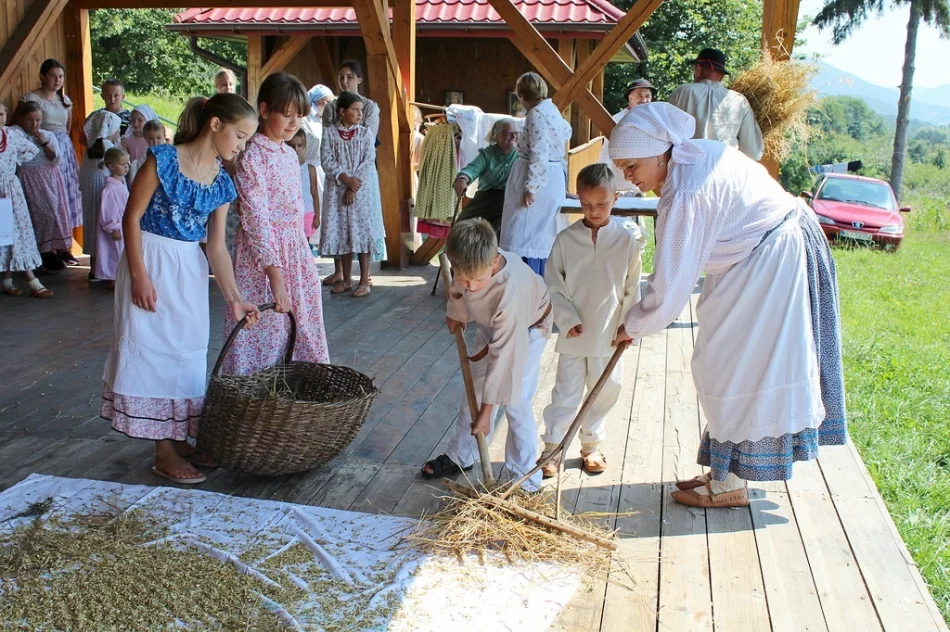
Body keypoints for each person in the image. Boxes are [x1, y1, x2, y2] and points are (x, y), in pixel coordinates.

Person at [609, 103, 846, 508]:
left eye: (632, 166)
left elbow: (670, 284)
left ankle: (729, 483)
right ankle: (726, 470)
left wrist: (633, 324)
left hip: (772, 255)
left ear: (658, 150)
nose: (629, 178)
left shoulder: (686, 188)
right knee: (726, 362)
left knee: (734, 365)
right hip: (756, 254)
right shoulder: (688, 163)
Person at [101, 94, 260, 485]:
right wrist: (139, 275)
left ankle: (175, 434)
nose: (241, 147)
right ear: (216, 124)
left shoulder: (222, 183)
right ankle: (163, 451)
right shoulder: (163, 159)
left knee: (185, 353)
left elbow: (216, 246)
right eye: (240, 136)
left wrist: (235, 298)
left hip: (188, 268)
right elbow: (131, 217)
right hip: (150, 260)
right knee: (151, 350)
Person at [420, 219, 551, 492]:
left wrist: (488, 412)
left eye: (478, 280)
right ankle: (461, 455)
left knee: (516, 401)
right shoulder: (469, 269)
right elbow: (457, 287)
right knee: (475, 391)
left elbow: (506, 358)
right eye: (463, 277)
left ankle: (525, 477)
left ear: (494, 262)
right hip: (492, 324)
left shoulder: (508, 291)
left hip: (527, 328)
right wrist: (456, 313)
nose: (471, 286)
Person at [224, 72, 330, 376]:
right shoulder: (251, 156)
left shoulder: (286, 153)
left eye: (299, 115)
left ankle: (304, 395)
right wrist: (275, 276)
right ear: (265, 109)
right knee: (264, 332)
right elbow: (257, 221)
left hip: (294, 251)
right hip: (262, 260)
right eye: (286, 114)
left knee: (304, 325)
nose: (293, 122)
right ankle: (257, 405)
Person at [540, 164, 641, 477]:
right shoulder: (566, 240)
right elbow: (554, 284)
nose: (593, 211)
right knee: (565, 391)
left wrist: (629, 326)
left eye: (601, 204)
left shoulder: (626, 241)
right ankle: (553, 448)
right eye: (585, 204)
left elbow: (632, 286)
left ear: (616, 197)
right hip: (575, 332)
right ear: (577, 199)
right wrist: (567, 319)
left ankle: (591, 445)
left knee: (606, 389)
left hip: (611, 332)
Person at [499, 72, 571, 278]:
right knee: (541, 232)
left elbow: (539, 152)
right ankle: (537, 281)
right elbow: (567, 131)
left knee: (526, 234)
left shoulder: (536, 115)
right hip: (552, 175)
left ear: (521, 96)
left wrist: (532, 188)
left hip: (538, 177)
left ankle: (526, 282)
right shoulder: (551, 110)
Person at [321, 60, 384, 287]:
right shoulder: (330, 111)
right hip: (339, 181)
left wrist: (353, 183)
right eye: (341, 76)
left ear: (359, 79)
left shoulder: (369, 110)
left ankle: (364, 277)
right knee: (340, 227)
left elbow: (368, 153)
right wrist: (343, 178)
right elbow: (327, 154)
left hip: (360, 181)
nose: (344, 81)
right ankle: (343, 275)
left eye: (349, 76)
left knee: (363, 226)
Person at [21, 59, 83, 260]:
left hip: (62, 146)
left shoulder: (64, 101)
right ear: (42, 76)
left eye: (60, 76)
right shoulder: (32, 98)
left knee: (65, 194)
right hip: (42, 147)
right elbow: (23, 124)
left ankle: (64, 246)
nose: (57, 80)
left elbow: (66, 127)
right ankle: (47, 249)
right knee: (50, 197)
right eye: (52, 76)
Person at [667, 48, 764, 161]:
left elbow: (665, 135)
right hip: (724, 169)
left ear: (698, 68)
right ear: (722, 75)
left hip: (686, 167)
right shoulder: (739, 100)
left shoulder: (682, 92)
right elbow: (752, 152)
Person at [13, 101, 72, 273]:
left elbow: (56, 159)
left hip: (48, 178)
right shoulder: (17, 134)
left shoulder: (47, 135)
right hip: (27, 178)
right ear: (22, 119)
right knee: (34, 216)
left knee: (51, 214)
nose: (34, 124)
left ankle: (48, 251)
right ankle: (37, 254)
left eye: (38, 120)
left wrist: (44, 143)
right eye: (30, 120)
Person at [0, 103, 51, 298]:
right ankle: (20, 280)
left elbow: (30, 150)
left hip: (10, 190)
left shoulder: (11, 135)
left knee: (16, 231)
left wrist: (13, 168)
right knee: (5, 233)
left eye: (3, 114)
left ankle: (19, 280)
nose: (1, 118)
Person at [452, 118, 519, 239]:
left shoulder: (523, 155)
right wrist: (463, 178)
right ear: (496, 135)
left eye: (517, 133)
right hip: (486, 199)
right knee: (460, 228)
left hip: (511, 201)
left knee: (499, 234)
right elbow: (472, 168)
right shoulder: (488, 154)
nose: (514, 136)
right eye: (507, 133)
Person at [79, 110, 122, 280]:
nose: (118, 132)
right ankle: (107, 270)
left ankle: (93, 267)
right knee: (105, 229)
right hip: (105, 193)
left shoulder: (91, 146)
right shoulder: (108, 147)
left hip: (90, 192)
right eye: (117, 129)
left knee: (92, 227)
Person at [599, 78, 656, 193]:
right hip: (619, 185)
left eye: (647, 96)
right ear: (630, 98)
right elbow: (606, 152)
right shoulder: (617, 120)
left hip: (640, 186)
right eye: (640, 95)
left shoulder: (652, 120)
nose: (644, 100)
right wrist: (602, 180)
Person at [94, 147, 130, 287]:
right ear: (111, 166)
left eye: (127, 163)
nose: (126, 167)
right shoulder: (110, 188)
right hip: (115, 226)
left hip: (122, 223)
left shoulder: (121, 183)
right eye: (122, 164)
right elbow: (108, 210)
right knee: (113, 252)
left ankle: (119, 276)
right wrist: (113, 227)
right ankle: (112, 278)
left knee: (121, 251)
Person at [287, 128, 320, 251]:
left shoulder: (310, 168)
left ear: (305, 147)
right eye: (291, 146)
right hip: (291, 213)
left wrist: (317, 216)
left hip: (307, 212)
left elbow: (314, 193)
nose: (296, 149)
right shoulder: (285, 167)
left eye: (299, 145)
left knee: (305, 245)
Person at [80, 79, 131, 144]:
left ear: (123, 97)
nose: (112, 99)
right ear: (102, 96)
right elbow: (83, 140)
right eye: (108, 95)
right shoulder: (95, 117)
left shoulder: (130, 118)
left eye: (116, 95)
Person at [127, 119, 167, 188]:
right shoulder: (142, 162)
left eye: (158, 138)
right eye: (151, 138)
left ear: (164, 136)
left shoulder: (171, 155)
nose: (155, 141)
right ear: (145, 139)